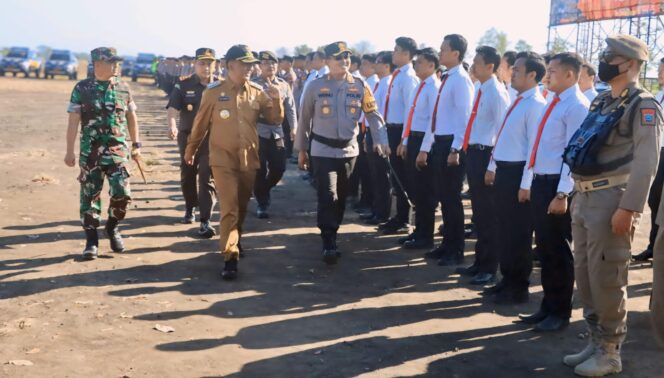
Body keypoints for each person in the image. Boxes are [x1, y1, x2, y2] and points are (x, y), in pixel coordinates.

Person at [562, 35, 662, 377]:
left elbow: (647, 161)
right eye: (604, 55)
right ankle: (595, 339)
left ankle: (610, 351)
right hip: (585, 196)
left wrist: (630, 208)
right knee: (586, 277)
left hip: (612, 200)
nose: (604, 61)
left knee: (607, 276)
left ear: (631, 64)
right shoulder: (603, 101)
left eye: (612, 57)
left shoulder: (643, 105)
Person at [184, 44, 284, 280]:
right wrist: (191, 149)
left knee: (240, 206)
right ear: (230, 66)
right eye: (244, 64)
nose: (249, 68)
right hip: (222, 159)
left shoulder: (258, 92)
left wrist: (277, 100)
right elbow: (200, 125)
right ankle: (230, 257)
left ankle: (235, 238)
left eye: (251, 64)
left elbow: (274, 119)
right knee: (228, 206)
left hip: (248, 159)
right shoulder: (213, 92)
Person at [295, 41, 389, 265]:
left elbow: (373, 114)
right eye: (338, 58)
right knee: (328, 194)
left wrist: (381, 141)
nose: (343, 61)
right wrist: (301, 150)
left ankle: (333, 232)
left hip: (349, 150)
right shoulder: (315, 86)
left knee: (341, 198)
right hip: (322, 150)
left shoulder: (359, 85)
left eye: (346, 57)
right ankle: (328, 240)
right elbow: (304, 118)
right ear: (327, 61)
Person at [519, 52, 589, 325]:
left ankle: (560, 311)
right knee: (545, 249)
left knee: (559, 251)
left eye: (553, 71)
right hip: (541, 181)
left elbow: (573, 155)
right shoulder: (554, 102)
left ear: (571, 75)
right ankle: (547, 306)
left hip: (556, 188)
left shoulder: (577, 106)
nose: (547, 76)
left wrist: (562, 194)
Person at [64, 47, 141, 260]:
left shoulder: (124, 88)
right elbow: (73, 122)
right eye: (111, 62)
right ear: (97, 64)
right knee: (89, 198)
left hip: (118, 151)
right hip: (91, 153)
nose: (116, 66)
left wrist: (136, 145)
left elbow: (131, 117)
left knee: (122, 193)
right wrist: (70, 151)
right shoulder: (82, 88)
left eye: (117, 62)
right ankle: (91, 240)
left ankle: (112, 227)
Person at [484, 51, 547, 300]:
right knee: (505, 229)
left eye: (518, 70)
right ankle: (506, 278)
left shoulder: (536, 105)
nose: (512, 73)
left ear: (532, 74)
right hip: (505, 171)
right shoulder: (519, 100)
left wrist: (526, 184)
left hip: (519, 174)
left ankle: (518, 287)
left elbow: (534, 148)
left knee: (519, 233)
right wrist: (493, 165)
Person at [455, 46, 510, 284]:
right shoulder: (480, 88)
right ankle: (479, 262)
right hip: (474, 154)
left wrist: (493, 166)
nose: (473, 66)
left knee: (489, 216)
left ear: (490, 66)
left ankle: (489, 267)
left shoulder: (497, 93)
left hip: (487, 155)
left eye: (477, 63)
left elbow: (501, 132)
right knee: (479, 214)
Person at [420, 34, 474, 265]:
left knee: (452, 199)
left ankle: (456, 250)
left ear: (456, 54)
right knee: (444, 197)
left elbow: (464, 118)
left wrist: (456, 149)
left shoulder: (461, 79)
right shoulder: (447, 78)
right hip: (441, 143)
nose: (440, 53)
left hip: (452, 144)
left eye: (444, 50)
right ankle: (446, 245)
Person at [166, 48, 219, 236]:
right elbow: (173, 109)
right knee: (188, 174)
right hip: (188, 138)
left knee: (207, 176)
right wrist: (172, 125)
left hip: (211, 139)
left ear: (216, 65)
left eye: (210, 63)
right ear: (195, 64)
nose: (206, 67)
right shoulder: (184, 85)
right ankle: (190, 206)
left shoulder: (221, 87)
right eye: (202, 63)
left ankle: (206, 220)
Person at [396, 47, 441, 250]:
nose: (416, 65)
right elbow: (409, 116)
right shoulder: (420, 86)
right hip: (413, 139)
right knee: (414, 188)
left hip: (425, 141)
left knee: (425, 191)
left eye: (420, 62)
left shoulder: (434, 88)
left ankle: (426, 235)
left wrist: (424, 149)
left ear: (432, 65)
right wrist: (405, 141)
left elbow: (434, 122)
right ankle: (418, 230)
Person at [378, 36, 420, 235]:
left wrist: (404, 139)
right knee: (396, 177)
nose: (393, 53)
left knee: (404, 178)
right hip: (392, 129)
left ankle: (405, 218)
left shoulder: (409, 77)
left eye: (396, 50)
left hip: (402, 131)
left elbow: (409, 111)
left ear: (406, 54)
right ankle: (400, 216)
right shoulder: (398, 75)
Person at [252, 51, 298, 219]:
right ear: (260, 66)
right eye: (265, 63)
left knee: (279, 167)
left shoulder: (283, 84)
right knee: (259, 168)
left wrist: (294, 127)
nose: (270, 66)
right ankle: (262, 203)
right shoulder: (253, 85)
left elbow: (291, 108)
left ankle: (263, 189)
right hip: (258, 131)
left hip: (277, 131)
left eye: (273, 63)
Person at [633, 56, 664, 261]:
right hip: (659, 152)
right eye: (660, 70)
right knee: (654, 200)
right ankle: (654, 245)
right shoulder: (659, 94)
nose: (660, 74)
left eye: (663, 70)